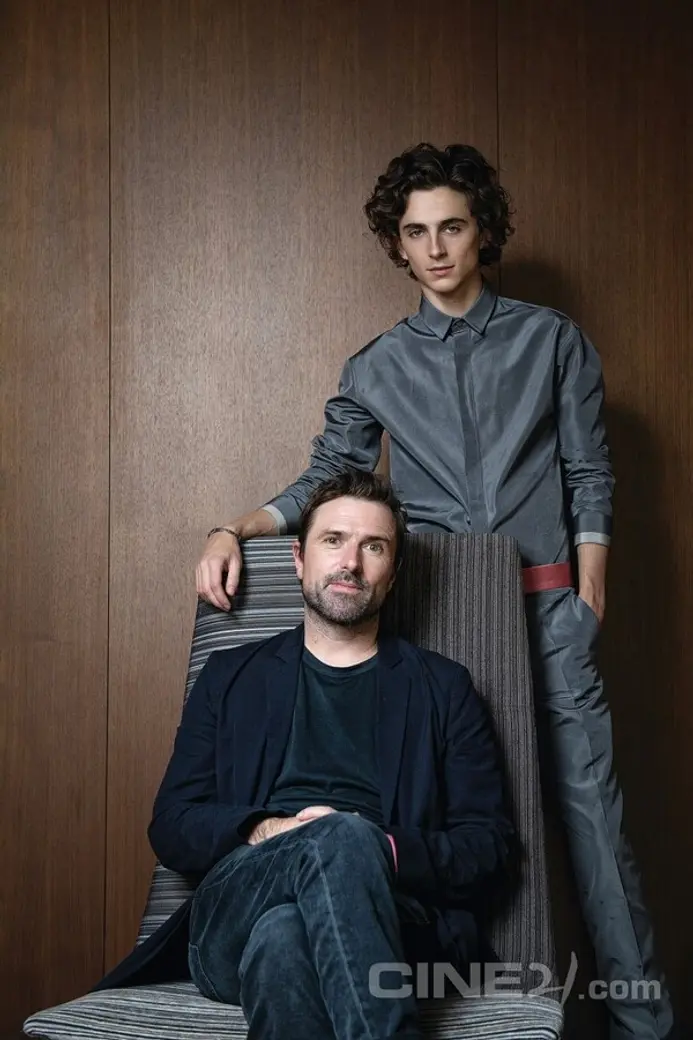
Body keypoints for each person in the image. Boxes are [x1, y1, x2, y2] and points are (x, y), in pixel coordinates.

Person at [196, 143, 674, 1040]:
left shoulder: (551, 341)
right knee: (439, 815)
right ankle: (438, 990)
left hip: (546, 610)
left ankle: (644, 1026)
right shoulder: (374, 365)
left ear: (481, 230)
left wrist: (587, 600)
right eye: (415, 233)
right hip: (438, 619)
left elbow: (589, 474)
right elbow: (327, 476)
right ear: (398, 245)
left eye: (451, 227)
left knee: (594, 828)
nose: (435, 248)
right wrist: (237, 526)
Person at [96, 471, 513, 1040]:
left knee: (284, 939)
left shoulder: (444, 688)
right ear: (298, 558)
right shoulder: (231, 677)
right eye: (333, 540)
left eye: (374, 547)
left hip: (396, 921)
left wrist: (379, 846)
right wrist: (273, 830)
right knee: (330, 846)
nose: (351, 563)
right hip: (234, 912)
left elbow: (488, 847)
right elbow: (171, 824)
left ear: (393, 574)